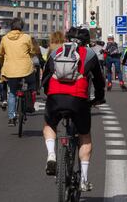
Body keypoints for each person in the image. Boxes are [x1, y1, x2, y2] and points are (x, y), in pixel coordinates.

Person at [42, 27, 105, 191]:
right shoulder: (89, 54)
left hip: (55, 96)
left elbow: (46, 76)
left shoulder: (57, 52)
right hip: (78, 98)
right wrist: (99, 97)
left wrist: (48, 93)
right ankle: (84, 179)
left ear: (67, 39)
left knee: (50, 124)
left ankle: (51, 155)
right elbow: (99, 80)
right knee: (85, 135)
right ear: (86, 42)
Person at [0, 18, 36, 126]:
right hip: (25, 69)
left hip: (10, 70)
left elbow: (0, 54)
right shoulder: (26, 37)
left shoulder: (5, 39)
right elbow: (32, 51)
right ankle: (29, 104)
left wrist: (1, 62)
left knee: (12, 93)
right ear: (21, 27)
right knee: (31, 84)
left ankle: (11, 118)